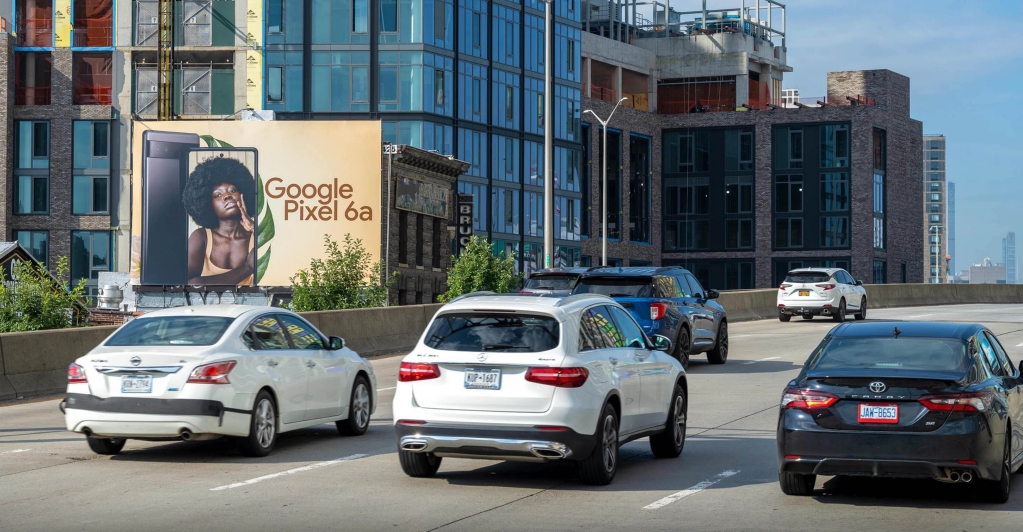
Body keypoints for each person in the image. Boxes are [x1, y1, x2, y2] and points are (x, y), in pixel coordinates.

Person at [182, 155, 257, 285]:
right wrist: (247, 268)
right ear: (207, 203)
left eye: (232, 190)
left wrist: (256, 229)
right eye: (217, 195)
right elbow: (189, 283)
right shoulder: (201, 237)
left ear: (243, 195)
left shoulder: (257, 236)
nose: (227, 196)